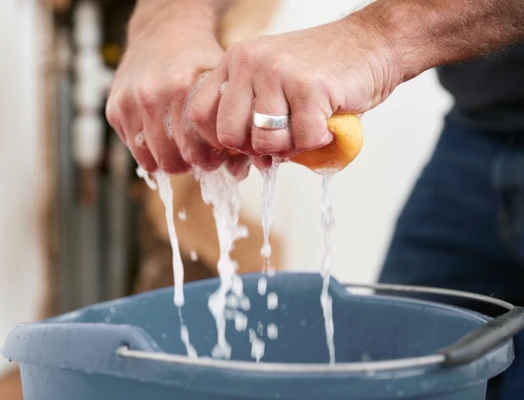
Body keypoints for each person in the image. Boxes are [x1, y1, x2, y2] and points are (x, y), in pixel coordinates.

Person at [106, 0, 524, 398]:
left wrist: (376, 38)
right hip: (475, 130)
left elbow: (377, 40)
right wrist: (168, 23)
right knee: (395, 371)